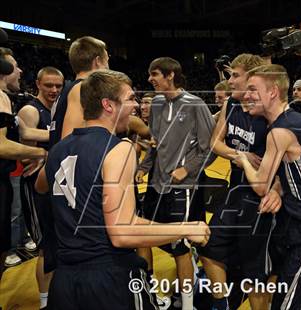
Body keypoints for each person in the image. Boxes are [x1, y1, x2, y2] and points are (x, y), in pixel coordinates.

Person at [35, 69, 210, 310]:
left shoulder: (58, 149)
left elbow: (40, 185)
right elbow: (122, 233)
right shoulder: (118, 149)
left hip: (64, 281)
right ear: (108, 105)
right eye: (129, 99)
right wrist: (186, 229)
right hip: (109, 278)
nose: (136, 105)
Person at [234, 64, 301, 309]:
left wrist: (242, 159)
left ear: (272, 92)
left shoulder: (279, 131)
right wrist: (279, 188)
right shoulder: (298, 119)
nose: (246, 95)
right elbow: (300, 167)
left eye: (252, 89)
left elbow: (260, 184)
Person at [199, 54, 280, 310]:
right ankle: (221, 303)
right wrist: (240, 155)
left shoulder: (269, 114)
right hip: (235, 193)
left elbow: (286, 162)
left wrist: (278, 189)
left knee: (255, 274)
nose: (229, 80)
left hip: (260, 200)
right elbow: (215, 143)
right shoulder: (231, 106)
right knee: (208, 248)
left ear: (252, 79)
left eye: (235, 75)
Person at [135, 57, 215, 310]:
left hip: (182, 187)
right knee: (144, 238)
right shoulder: (157, 103)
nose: (150, 79)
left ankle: (188, 304)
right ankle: (148, 293)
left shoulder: (195, 104)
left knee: (180, 246)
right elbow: (156, 143)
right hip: (155, 185)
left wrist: (186, 168)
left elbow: (209, 149)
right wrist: (144, 167)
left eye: (155, 74)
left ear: (170, 75)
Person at [18, 66, 64, 309]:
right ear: (37, 84)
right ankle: (45, 302)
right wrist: (58, 144)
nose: (54, 90)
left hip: (52, 187)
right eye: (49, 85)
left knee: (55, 245)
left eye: (58, 85)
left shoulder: (56, 110)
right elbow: (26, 155)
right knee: (45, 248)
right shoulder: (30, 109)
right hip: (34, 188)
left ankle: (55, 296)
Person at [0, 48, 48, 278]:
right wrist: (45, 155)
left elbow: (25, 132)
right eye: (14, 65)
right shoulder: (1, 96)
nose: (19, 70)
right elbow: (2, 146)